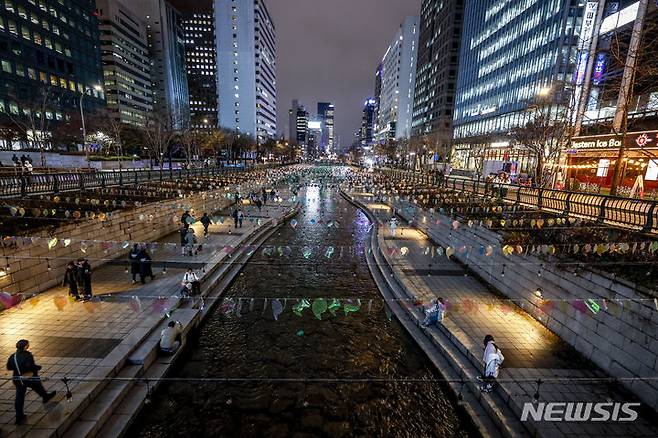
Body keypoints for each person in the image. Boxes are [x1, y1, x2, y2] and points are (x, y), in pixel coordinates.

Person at [6, 340, 56, 424]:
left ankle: (19, 416)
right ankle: (45, 397)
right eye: (27, 344)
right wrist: (37, 367)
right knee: (37, 385)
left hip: (17, 379)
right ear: (25, 346)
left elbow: (9, 367)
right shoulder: (27, 355)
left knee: (19, 397)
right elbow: (30, 366)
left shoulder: (12, 356)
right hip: (28, 378)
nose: (28, 345)